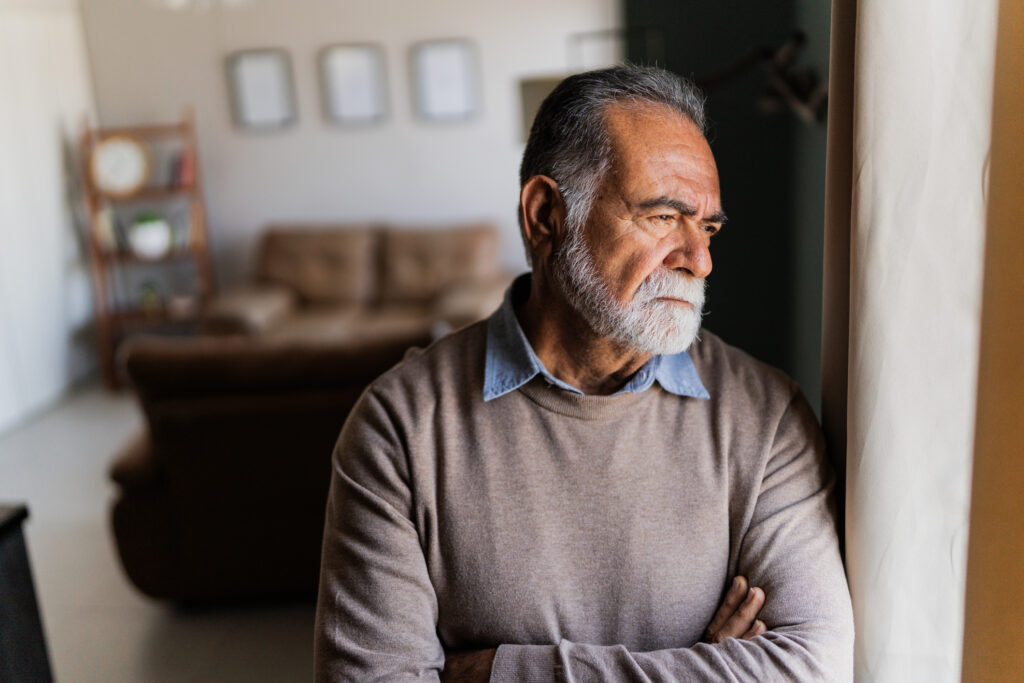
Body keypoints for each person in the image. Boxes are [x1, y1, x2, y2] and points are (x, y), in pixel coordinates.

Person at [314, 64, 854, 681]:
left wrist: (487, 673)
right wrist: (706, 663)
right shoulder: (399, 428)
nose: (700, 261)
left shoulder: (766, 414)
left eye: (706, 227)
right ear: (546, 214)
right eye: (661, 218)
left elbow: (811, 666)